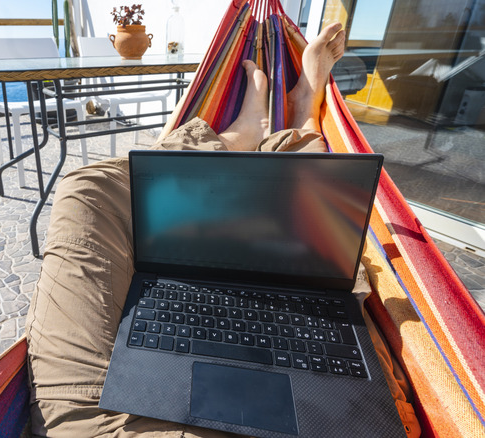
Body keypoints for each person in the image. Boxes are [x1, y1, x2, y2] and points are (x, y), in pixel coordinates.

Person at [25, 23, 347, 437]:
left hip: (93, 424)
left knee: (90, 189)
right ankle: (301, 115)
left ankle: (241, 136)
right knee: (307, 201)